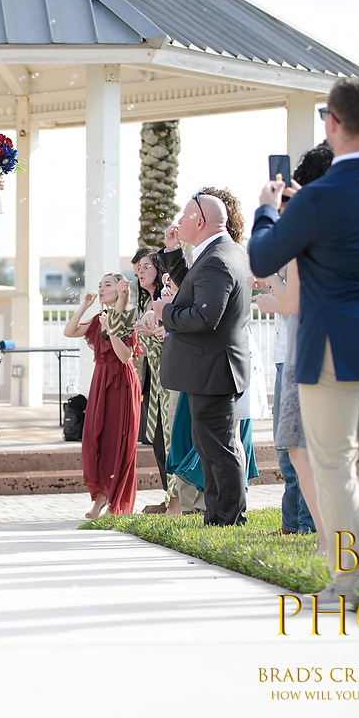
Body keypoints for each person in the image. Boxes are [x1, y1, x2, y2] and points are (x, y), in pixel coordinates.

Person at [250, 77, 359, 605]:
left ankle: (349, 579)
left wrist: (269, 210)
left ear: (332, 122)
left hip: (332, 344)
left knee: (333, 463)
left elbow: (262, 257)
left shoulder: (317, 198)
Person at [152, 191, 253, 527]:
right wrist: (173, 254)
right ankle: (219, 516)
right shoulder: (223, 252)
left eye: (185, 215)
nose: (179, 221)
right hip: (213, 367)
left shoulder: (217, 259)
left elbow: (204, 316)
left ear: (200, 221)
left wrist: (165, 312)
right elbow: (196, 291)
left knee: (218, 448)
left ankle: (228, 519)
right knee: (209, 445)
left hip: (213, 369)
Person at [253, 143, 335, 552]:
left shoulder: (312, 228)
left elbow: (287, 292)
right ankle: (327, 533)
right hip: (340, 348)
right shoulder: (356, 218)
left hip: (309, 349)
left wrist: (267, 212)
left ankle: (321, 535)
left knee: (300, 449)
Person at [63, 274, 141, 519]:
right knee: (95, 437)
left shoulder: (127, 317)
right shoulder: (99, 318)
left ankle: (114, 500)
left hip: (121, 381)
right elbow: (69, 331)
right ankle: (99, 497)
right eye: (100, 285)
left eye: (108, 284)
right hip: (101, 379)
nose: (101, 288)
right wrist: (84, 306)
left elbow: (125, 356)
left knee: (117, 440)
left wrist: (112, 330)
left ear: (120, 290)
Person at [125, 247, 176, 514]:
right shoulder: (145, 302)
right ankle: (169, 496)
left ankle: (177, 500)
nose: (141, 272)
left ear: (159, 268)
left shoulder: (165, 299)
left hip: (167, 378)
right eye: (138, 269)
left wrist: (155, 334)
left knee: (167, 437)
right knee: (157, 439)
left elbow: (168, 336)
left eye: (146, 266)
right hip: (152, 378)